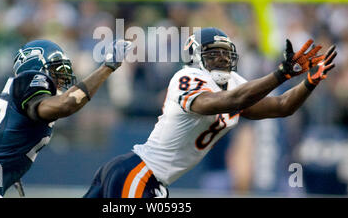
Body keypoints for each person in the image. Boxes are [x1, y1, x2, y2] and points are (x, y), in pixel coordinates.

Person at [83, 27, 337, 198]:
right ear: (196, 56)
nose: (223, 60)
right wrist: (280, 73)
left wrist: (309, 82)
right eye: (215, 54)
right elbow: (222, 102)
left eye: (227, 54)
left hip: (151, 179)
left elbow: (282, 107)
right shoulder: (187, 76)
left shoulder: (235, 83)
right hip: (139, 172)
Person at [0, 38, 132, 198]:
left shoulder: (18, 93)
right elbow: (67, 104)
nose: (61, 78)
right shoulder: (29, 80)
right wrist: (108, 67)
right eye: (56, 69)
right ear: (35, 65)